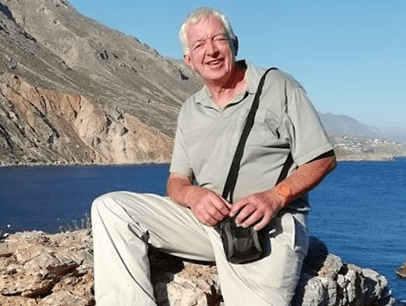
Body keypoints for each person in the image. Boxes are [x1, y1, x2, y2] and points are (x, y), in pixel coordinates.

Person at [91, 7, 336, 306]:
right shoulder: (190, 110)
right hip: (207, 226)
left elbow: (322, 158)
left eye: (218, 40)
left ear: (234, 44)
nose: (211, 51)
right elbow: (177, 181)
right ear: (189, 61)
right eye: (199, 46)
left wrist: (274, 197)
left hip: (265, 227)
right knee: (111, 208)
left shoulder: (278, 87)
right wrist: (195, 197)